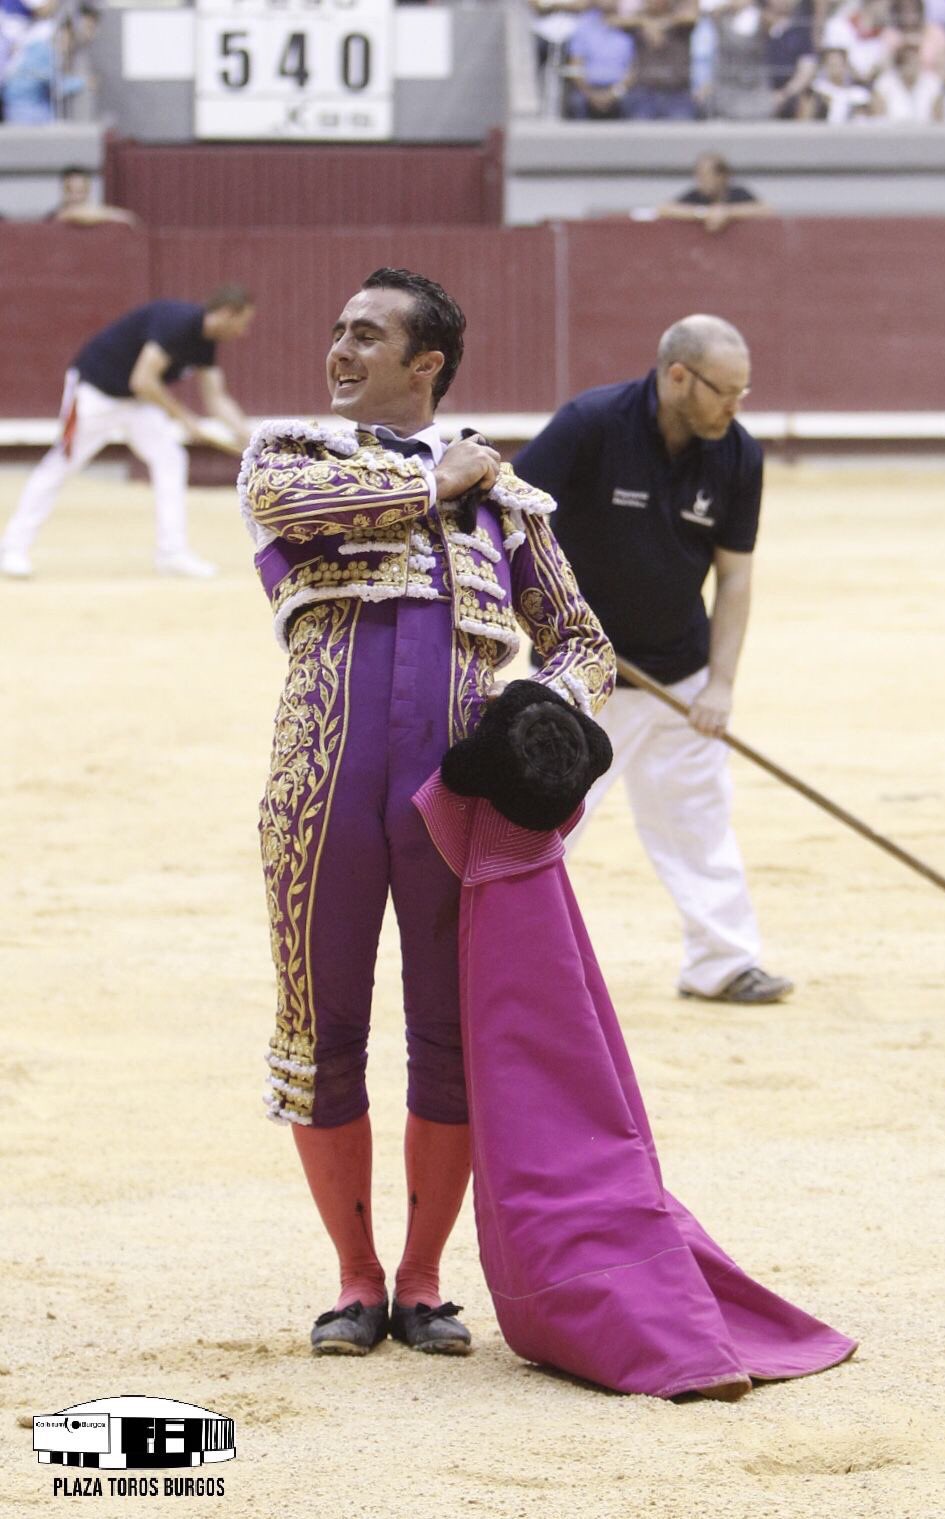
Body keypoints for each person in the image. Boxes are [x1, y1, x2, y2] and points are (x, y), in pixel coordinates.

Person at [237, 267, 615, 1358]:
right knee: (323, 1030)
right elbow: (286, 513)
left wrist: (547, 712)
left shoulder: (510, 499)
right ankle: (356, 1279)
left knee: (451, 1037)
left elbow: (584, 642)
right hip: (322, 778)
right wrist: (435, 483)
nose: (340, 351)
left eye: (369, 335)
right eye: (338, 329)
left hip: (457, 792)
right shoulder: (291, 454)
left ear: (427, 364)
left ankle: (424, 1276)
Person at [514, 314, 793, 1006]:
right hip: (581, 676)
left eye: (744, 391)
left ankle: (722, 962)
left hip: (679, 672)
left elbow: (734, 576)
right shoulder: (590, 424)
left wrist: (720, 684)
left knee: (698, 819)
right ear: (677, 377)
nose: (736, 405)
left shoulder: (738, 456)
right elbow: (509, 519)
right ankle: (506, 964)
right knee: (543, 824)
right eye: (725, 390)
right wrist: (541, 619)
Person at [0, 286, 255, 580]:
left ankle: (172, 553)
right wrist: (185, 418)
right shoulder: (177, 322)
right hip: (95, 393)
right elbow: (143, 379)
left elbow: (217, 399)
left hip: (136, 404)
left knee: (170, 460)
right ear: (226, 313)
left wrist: (250, 442)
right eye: (243, 322)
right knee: (61, 464)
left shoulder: (205, 343)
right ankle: (12, 548)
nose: (243, 331)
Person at [656, 151, 772, 231]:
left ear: (722, 176)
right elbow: (663, 209)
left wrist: (727, 213)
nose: (701, 182)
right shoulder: (696, 195)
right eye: (699, 176)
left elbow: (766, 210)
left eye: (706, 176)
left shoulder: (738, 193)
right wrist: (704, 213)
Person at [46, 165, 139, 227]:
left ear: (88, 191)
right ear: (62, 190)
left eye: (81, 191)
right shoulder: (54, 217)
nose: (75, 197)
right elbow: (71, 214)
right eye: (70, 190)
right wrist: (117, 216)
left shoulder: (98, 219)